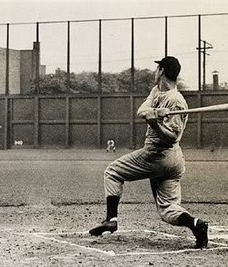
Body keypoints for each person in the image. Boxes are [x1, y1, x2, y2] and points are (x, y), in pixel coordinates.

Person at [88, 56, 208, 249]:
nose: (155, 72)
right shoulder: (156, 91)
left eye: (157, 68)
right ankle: (196, 225)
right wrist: (153, 112)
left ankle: (111, 219)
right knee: (168, 209)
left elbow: (171, 137)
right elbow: (141, 110)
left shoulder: (176, 101)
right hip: (171, 162)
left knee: (112, 172)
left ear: (161, 71)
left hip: (159, 154)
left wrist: (155, 123)